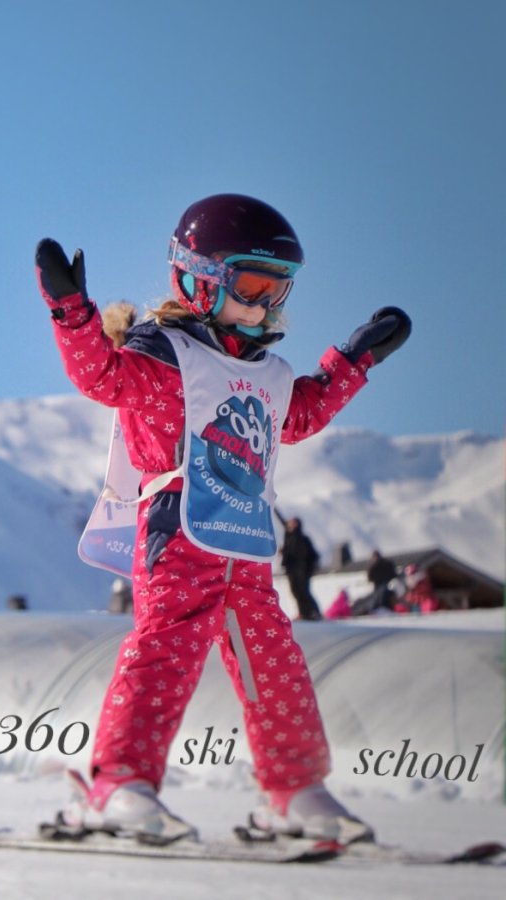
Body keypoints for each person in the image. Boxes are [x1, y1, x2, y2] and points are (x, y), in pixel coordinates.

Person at [37, 194, 410, 844]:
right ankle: (115, 783)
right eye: (253, 285)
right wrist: (72, 312)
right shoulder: (165, 356)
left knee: (275, 665)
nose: (266, 304)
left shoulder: (265, 373)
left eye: (279, 289)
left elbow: (299, 417)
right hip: (179, 531)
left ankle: (294, 789)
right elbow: (101, 377)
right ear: (199, 277)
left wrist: (355, 361)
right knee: (165, 652)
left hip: (244, 542)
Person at [279, 517, 323, 620]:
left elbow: (307, 555)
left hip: (302, 571)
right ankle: (303, 612)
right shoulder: (289, 538)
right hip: (292, 570)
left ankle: (313, 612)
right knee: (296, 591)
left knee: (303, 591)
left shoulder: (301, 539)